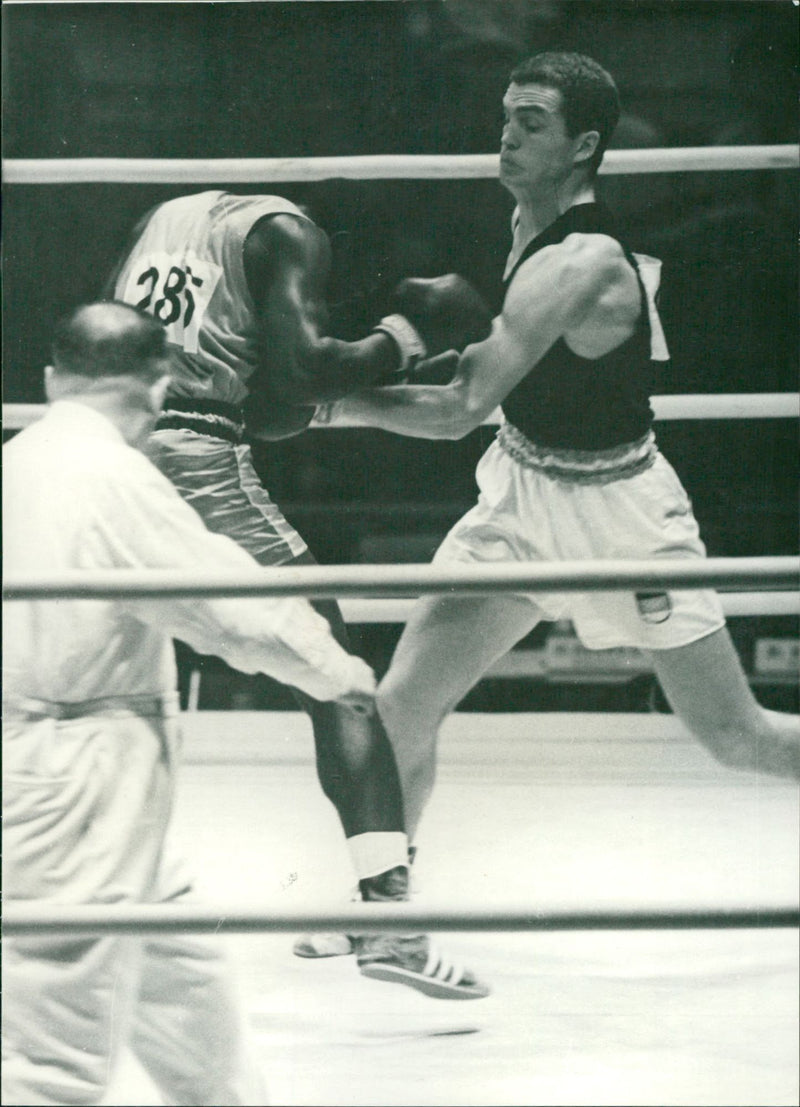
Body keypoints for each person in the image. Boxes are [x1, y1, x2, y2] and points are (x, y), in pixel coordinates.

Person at [311, 51, 800, 843]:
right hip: (519, 494)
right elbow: (496, 381)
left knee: (735, 735)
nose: (505, 137)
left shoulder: (583, 261)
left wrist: (324, 402)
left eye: (530, 123)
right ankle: (384, 910)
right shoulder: (524, 224)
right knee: (403, 702)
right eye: (506, 117)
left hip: (623, 520)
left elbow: (457, 409)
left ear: (583, 146)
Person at [2, 302, 399, 1104]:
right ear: (158, 391)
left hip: (72, 784)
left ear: (53, 380)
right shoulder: (113, 477)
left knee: (195, 1022)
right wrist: (337, 672)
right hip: (73, 786)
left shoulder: (19, 459)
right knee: (55, 1063)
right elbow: (226, 607)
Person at [104, 192, 492, 986]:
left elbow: (276, 402)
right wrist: (408, 336)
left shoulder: (169, 218)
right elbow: (309, 372)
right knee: (342, 679)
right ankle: (388, 922)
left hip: (103, 453)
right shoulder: (291, 235)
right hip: (192, 463)